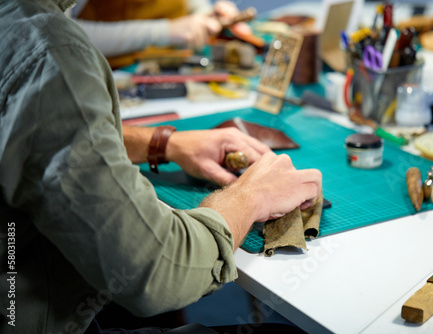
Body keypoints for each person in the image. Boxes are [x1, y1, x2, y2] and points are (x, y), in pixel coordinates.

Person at [0, 1, 322, 333]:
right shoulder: (48, 51)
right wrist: (250, 198)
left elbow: (33, 130)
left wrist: (161, 143)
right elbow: (154, 271)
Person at [69, 0, 241, 67]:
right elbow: (62, 33)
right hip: (103, 73)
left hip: (166, 64)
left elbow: (192, 4)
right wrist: (166, 31)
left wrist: (208, 15)